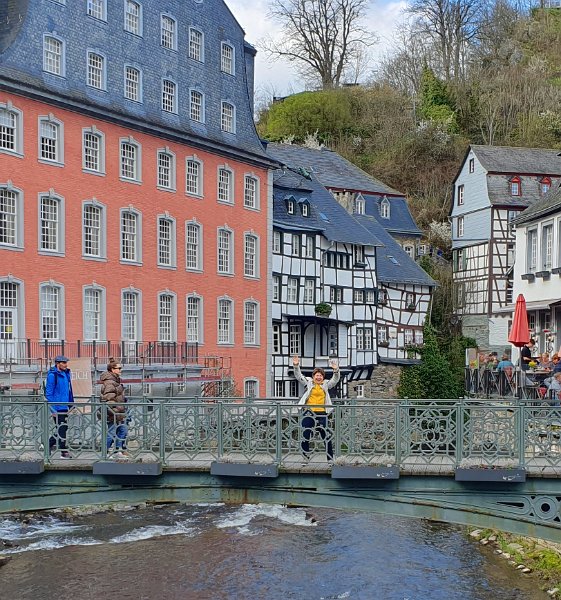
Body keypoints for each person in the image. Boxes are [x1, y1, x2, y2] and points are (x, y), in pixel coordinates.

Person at [292, 355, 340, 462]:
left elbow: (335, 380)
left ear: (323, 377)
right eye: (317, 375)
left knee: (326, 436)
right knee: (305, 435)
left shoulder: (326, 384)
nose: (319, 377)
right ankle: (305, 457)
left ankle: (330, 459)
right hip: (309, 412)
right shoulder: (309, 383)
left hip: (322, 413)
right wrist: (296, 365)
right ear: (313, 376)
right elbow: (299, 376)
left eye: (320, 376)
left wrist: (336, 370)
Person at [46, 355, 74, 459]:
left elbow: (68, 391)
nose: (66, 365)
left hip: (64, 406)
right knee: (62, 428)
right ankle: (57, 448)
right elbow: (48, 393)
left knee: (63, 428)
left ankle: (61, 450)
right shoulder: (52, 375)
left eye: (66, 362)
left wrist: (71, 404)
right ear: (58, 364)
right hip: (57, 407)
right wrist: (53, 409)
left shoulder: (65, 374)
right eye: (64, 363)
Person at [100, 358, 129, 459]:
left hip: (119, 412)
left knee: (123, 430)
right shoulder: (110, 383)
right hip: (113, 413)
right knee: (111, 432)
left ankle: (117, 451)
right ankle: (105, 452)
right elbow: (108, 398)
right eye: (119, 368)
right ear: (112, 369)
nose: (121, 370)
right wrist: (115, 411)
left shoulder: (115, 380)